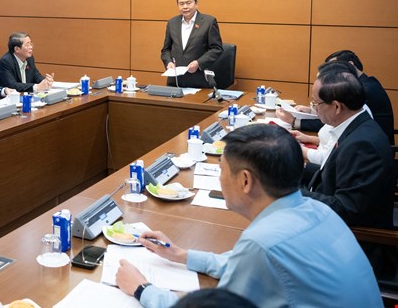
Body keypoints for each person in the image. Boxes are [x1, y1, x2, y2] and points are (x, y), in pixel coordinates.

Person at [115, 124, 381, 308]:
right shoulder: (318, 210)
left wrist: (142, 289)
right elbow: (246, 264)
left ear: (245, 181)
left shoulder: (262, 243)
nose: (219, 178)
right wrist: (181, 255)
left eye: (221, 169)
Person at [303, 67, 395, 278]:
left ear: (336, 107)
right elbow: (333, 172)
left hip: (355, 247)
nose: (314, 109)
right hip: (338, 228)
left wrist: (293, 192)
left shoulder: (362, 145)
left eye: (316, 104)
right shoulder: (356, 128)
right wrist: (293, 170)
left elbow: (346, 210)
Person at [277, 49, 393, 144]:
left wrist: (295, 121)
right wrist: (313, 110)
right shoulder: (366, 83)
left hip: (368, 147)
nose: (331, 75)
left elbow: (335, 119)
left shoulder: (362, 90)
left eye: (335, 69)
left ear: (350, 65)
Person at [160, 0, 223, 88]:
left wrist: (198, 63)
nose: (185, 7)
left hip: (199, 80)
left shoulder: (209, 22)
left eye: (188, 3)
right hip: (175, 81)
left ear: (196, 3)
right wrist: (168, 62)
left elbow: (217, 49)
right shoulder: (172, 23)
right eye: (181, 4)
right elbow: (166, 50)